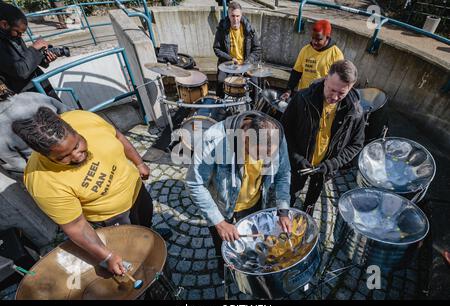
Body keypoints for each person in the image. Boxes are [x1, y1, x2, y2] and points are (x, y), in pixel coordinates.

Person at [12, 108, 171, 276]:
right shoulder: (41, 181)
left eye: (77, 144)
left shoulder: (82, 118)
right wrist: (107, 255)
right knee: (131, 250)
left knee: (146, 221)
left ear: (73, 128)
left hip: (137, 191)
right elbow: (76, 226)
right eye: (62, 158)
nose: (77, 156)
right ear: (43, 155)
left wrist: (138, 163)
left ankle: (150, 235)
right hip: (113, 218)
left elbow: (118, 136)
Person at [185, 110, 292, 274]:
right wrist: (219, 223)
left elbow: (283, 173)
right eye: (258, 154)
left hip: (256, 204)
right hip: (223, 209)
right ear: (244, 138)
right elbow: (195, 183)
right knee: (222, 244)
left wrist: (283, 209)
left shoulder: (277, 135)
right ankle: (224, 267)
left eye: (268, 156)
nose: (263, 160)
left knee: (252, 244)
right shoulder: (213, 138)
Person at [281, 60, 365, 211]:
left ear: (351, 88)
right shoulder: (302, 98)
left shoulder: (356, 112)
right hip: (298, 164)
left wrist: (332, 164)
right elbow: (284, 131)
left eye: (341, 93)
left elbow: (356, 144)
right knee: (290, 196)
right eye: (332, 90)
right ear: (326, 78)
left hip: (324, 170)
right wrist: (296, 157)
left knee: (310, 204)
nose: (334, 97)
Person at [0, 76, 73, 174]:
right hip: (73, 145)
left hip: (48, 170)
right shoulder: (32, 96)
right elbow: (69, 113)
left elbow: (17, 164)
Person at [0, 2, 59, 98]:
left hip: (41, 86)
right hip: (27, 97)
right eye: (18, 32)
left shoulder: (12, 34)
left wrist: (44, 58)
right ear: (4, 24)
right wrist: (34, 48)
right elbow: (20, 71)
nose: (20, 36)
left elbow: (25, 58)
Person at [280, 20, 344, 101]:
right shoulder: (305, 50)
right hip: (303, 95)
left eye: (318, 39)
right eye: (313, 38)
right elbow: (296, 72)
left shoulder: (336, 55)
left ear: (327, 37)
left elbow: (337, 82)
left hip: (321, 98)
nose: (314, 42)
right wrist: (289, 90)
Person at [213, 1, 261, 98]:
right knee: (220, 81)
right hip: (228, 64)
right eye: (233, 16)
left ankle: (253, 107)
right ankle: (220, 105)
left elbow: (257, 49)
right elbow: (216, 49)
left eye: (238, 16)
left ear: (241, 15)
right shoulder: (222, 29)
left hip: (246, 63)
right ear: (228, 15)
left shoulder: (250, 29)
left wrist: (247, 62)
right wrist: (230, 59)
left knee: (254, 83)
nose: (235, 19)